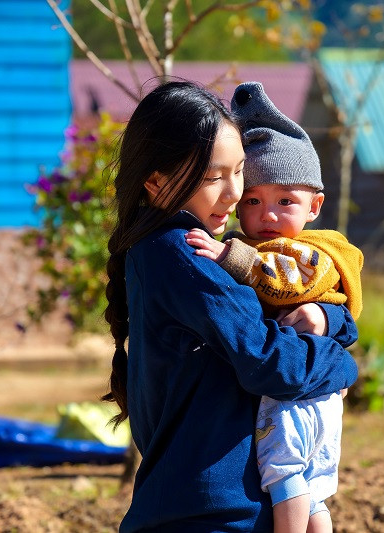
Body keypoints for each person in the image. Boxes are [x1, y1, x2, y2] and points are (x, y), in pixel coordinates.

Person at [101, 79, 359, 533]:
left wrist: (329, 316)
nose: (234, 193)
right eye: (212, 177)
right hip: (211, 514)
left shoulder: (174, 246)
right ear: (156, 181)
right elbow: (271, 362)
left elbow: (280, 312)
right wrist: (343, 365)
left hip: (200, 506)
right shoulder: (185, 254)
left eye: (239, 170)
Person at [185, 81, 364, 533]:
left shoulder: (310, 252)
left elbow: (283, 284)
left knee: (285, 477)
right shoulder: (260, 243)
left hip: (298, 392)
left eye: (286, 201)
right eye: (254, 201)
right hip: (314, 384)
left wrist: (231, 257)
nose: (268, 215)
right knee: (314, 491)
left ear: (315, 206)